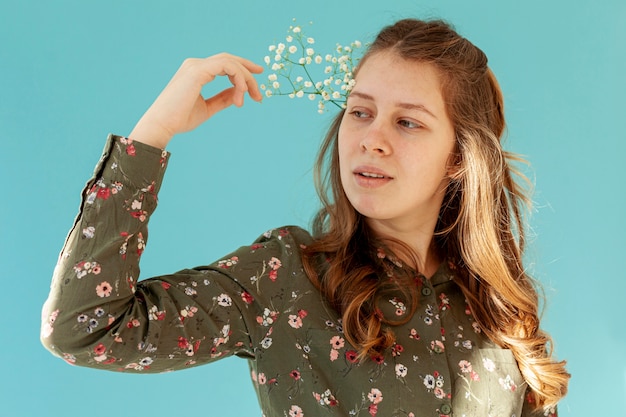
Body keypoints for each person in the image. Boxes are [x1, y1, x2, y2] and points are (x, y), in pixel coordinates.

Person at [41, 18, 569, 416]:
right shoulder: (284, 277)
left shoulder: (501, 317)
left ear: (459, 157)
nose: (371, 139)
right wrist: (152, 134)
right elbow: (84, 329)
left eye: (407, 122)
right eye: (360, 111)